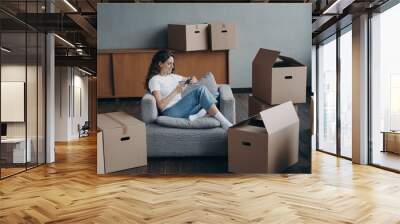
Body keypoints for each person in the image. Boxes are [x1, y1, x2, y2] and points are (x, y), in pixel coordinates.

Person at [145, 49, 233, 130]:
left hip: (182, 109)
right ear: (160, 64)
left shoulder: (173, 77)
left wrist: (189, 81)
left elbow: (193, 79)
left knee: (215, 95)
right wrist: (176, 91)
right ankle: (225, 122)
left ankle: (198, 115)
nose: (172, 66)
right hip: (170, 111)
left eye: (173, 63)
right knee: (201, 90)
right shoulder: (155, 80)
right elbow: (160, 105)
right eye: (169, 63)